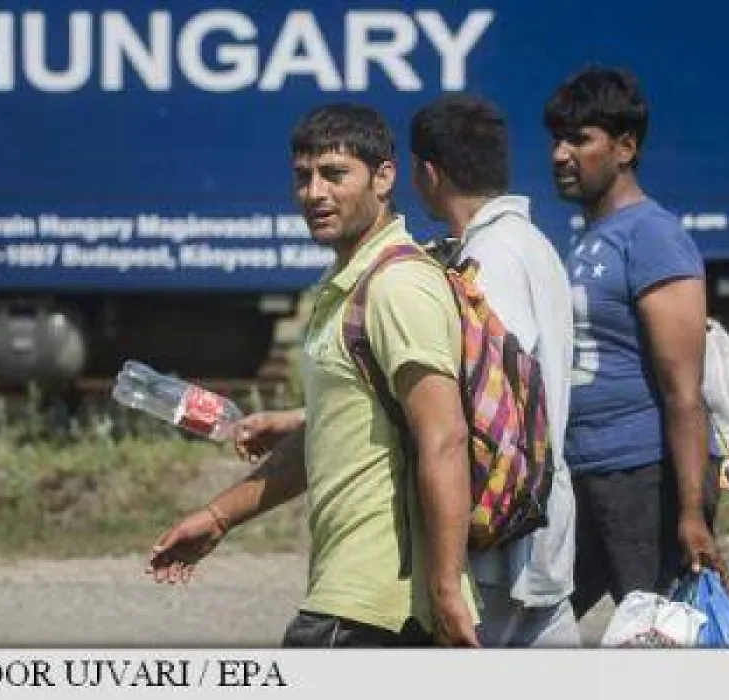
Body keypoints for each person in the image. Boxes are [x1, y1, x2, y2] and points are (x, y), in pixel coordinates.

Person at [146, 103, 480, 648]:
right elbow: (327, 438)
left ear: (384, 178)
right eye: (304, 177)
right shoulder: (348, 282)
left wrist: (445, 590)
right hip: (354, 602)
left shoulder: (398, 286)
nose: (314, 193)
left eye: (334, 174)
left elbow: (444, 438)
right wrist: (219, 516)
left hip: (380, 609)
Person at [543, 66, 727, 620]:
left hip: (642, 475)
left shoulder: (653, 236)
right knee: (540, 622)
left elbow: (683, 390)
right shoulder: (590, 238)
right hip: (583, 471)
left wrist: (690, 513)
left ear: (625, 148)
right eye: (557, 140)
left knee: (652, 633)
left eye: (580, 140)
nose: (560, 155)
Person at [409, 94, 579, 647]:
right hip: (541, 523)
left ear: (429, 172)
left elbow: (489, 399)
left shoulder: (490, 259)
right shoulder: (532, 244)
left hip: (502, 538)